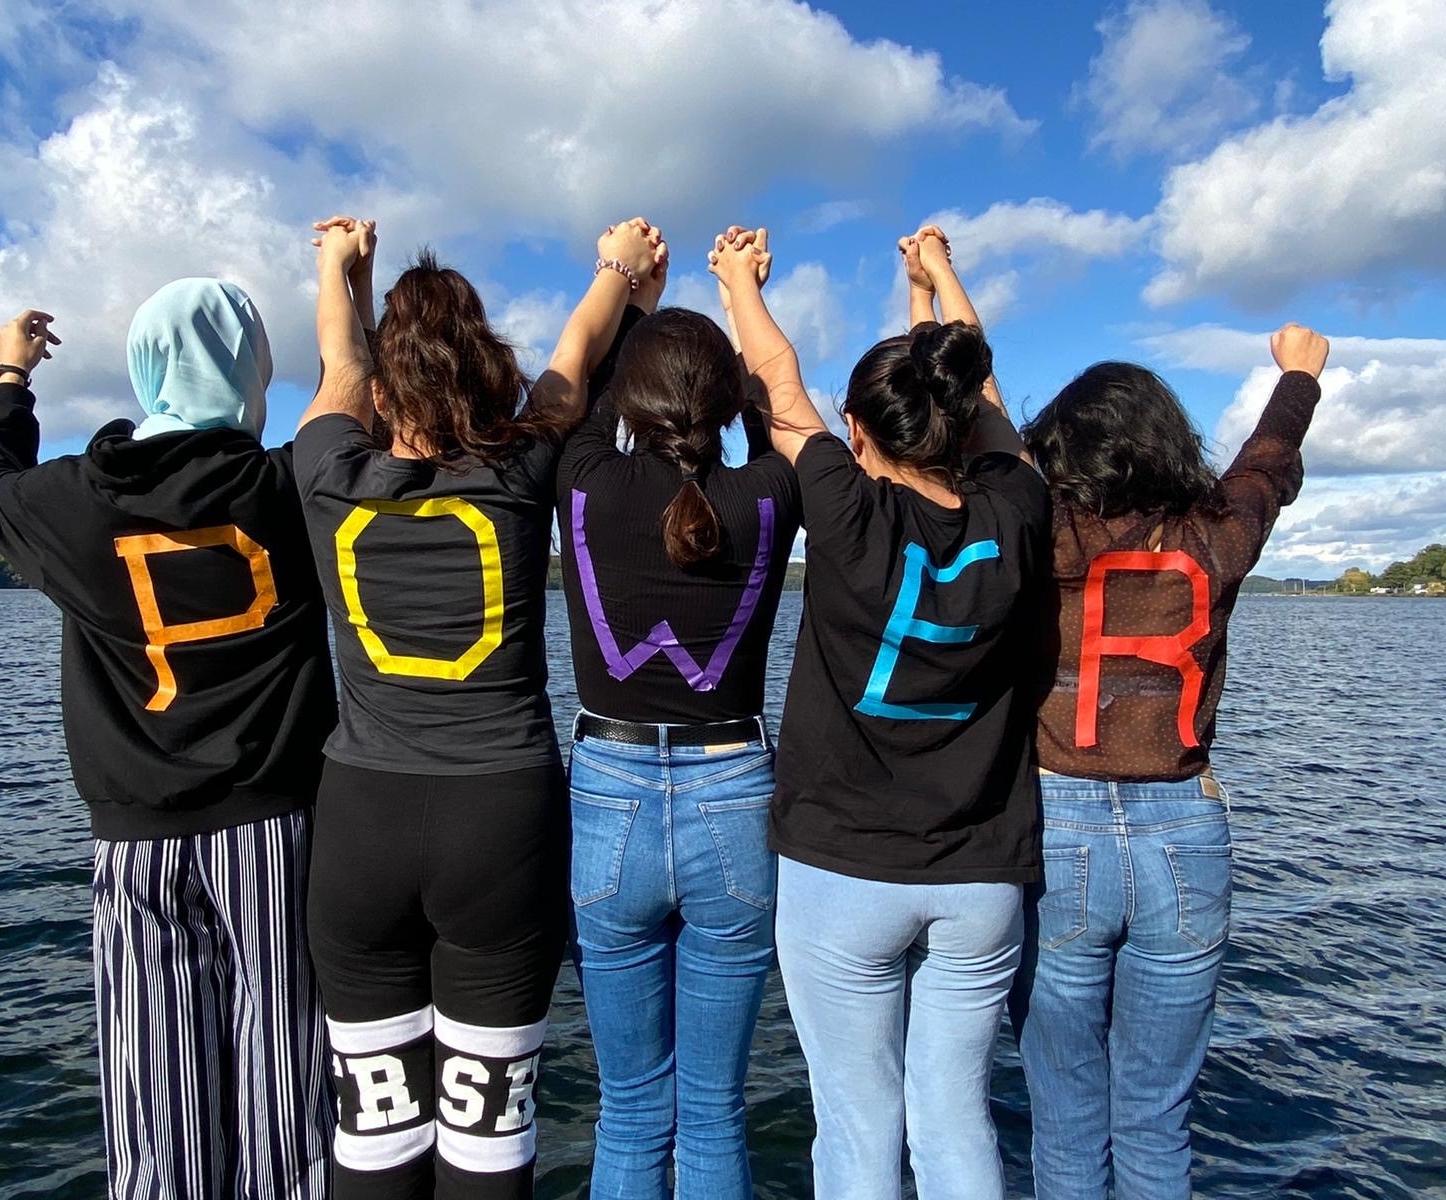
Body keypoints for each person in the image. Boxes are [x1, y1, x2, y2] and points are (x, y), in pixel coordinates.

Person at [293, 214, 662, 1200]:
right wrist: (617, 267)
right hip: (501, 818)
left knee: (374, 1123)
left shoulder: (326, 473)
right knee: (487, 1119)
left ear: (383, 389)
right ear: (483, 363)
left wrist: (343, 271)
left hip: (361, 819)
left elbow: (337, 363)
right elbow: (577, 350)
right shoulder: (524, 462)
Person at [0, 280, 339, 1199]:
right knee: (288, 1078)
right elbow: (345, 412)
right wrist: (344, 294)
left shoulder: (71, 501)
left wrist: (11, 374)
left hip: (134, 836)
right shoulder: (289, 486)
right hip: (275, 827)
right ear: (252, 370)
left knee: (152, 1098)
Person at [710, 224, 1051, 1200]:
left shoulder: (845, 510)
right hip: (981, 880)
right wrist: (935, 280)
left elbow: (776, 379)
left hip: (840, 877)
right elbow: (977, 392)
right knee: (954, 1121)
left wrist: (737, 281)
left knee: (857, 1127)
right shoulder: (1014, 513)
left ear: (856, 432)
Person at [1010, 325, 1330, 1199]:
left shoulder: (1042, 537)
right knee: (1156, 1121)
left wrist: (930, 295)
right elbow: (1266, 462)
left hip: (1061, 827)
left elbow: (990, 433)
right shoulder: (1215, 539)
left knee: (1066, 1122)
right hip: (1187, 831)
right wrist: (1298, 377)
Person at [555, 231, 802, 1199]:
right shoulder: (771, 496)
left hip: (607, 799)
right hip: (733, 797)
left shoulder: (580, 480)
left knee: (628, 1110)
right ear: (729, 404)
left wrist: (622, 278)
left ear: (627, 403)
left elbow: (574, 366)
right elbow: (782, 411)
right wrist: (737, 289)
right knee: (712, 1111)